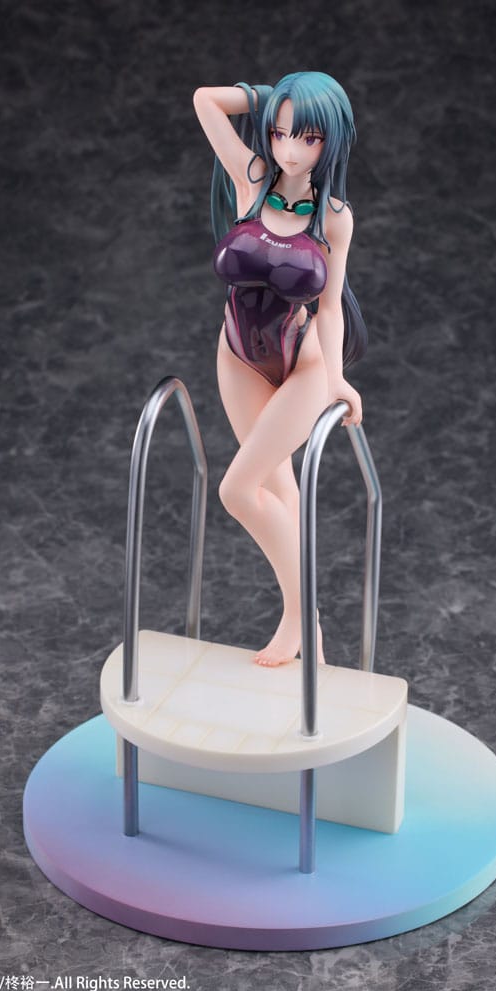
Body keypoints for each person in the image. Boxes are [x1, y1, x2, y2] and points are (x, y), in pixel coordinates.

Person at [193, 71, 367, 667]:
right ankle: (306, 625)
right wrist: (269, 98)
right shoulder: (252, 178)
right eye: (280, 132)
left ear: (331, 140)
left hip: (303, 365)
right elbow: (205, 101)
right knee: (279, 494)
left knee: (237, 490)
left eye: (308, 137)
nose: (290, 149)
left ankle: (299, 615)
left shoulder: (335, 217)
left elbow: (331, 307)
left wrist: (337, 379)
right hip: (238, 357)